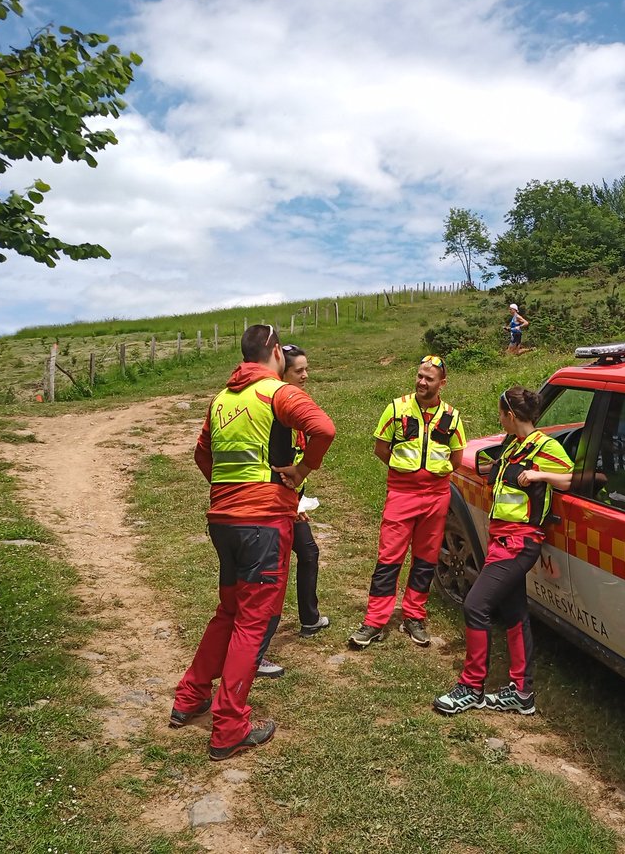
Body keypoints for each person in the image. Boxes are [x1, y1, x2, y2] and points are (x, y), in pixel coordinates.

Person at [169, 325, 335, 760]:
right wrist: (301, 472)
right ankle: (229, 726)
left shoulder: (221, 399)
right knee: (253, 621)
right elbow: (324, 429)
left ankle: (189, 697)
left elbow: (202, 455)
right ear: (276, 352)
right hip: (261, 522)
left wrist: (228, 491)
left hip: (223, 520)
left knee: (228, 611)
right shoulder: (276, 393)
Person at [433, 386, 572, 715]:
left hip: (518, 542)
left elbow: (568, 478)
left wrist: (539, 474)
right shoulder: (513, 445)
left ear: (511, 415)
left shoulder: (543, 446)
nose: (499, 418)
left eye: (500, 414)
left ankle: (472, 687)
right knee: (514, 613)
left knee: (475, 605)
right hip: (502, 539)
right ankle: (521, 693)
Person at [349, 355, 466, 649]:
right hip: (401, 494)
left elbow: (457, 458)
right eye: (419, 376)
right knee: (389, 558)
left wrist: (430, 477)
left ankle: (414, 616)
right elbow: (381, 448)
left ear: (442, 383)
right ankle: (375, 621)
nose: (422, 382)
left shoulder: (452, 416)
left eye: (428, 378)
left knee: (426, 560)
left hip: (437, 496)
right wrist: (407, 473)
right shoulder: (397, 408)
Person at [253, 344, 330, 679]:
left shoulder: (293, 413)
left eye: (307, 369)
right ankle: (256, 653)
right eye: (299, 370)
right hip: (272, 508)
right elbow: (274, 468)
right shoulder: (274, 413)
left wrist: (298, 501)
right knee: (273, 578)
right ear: (281, 372)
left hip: (290, 504)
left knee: (308, 553)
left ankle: (309, 619)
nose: (305, 376)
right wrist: (289, 502)